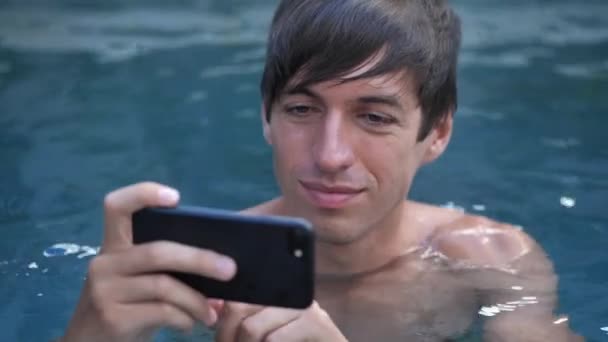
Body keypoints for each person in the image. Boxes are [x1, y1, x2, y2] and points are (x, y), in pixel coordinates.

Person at [60, 0, 583, 341]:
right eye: (302, 110)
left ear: (437, 133)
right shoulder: (200, 271)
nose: (330, 155)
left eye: (374, 117)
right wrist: (89, 331)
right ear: (267, 116)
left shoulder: (492, 263)